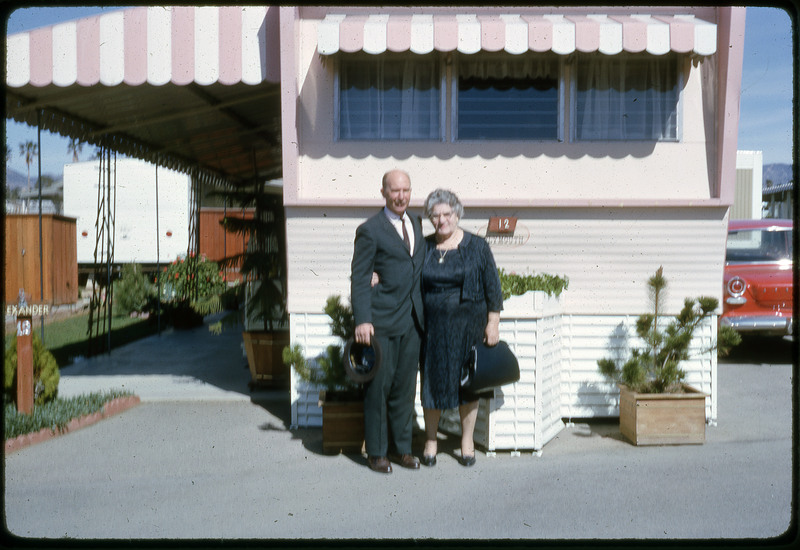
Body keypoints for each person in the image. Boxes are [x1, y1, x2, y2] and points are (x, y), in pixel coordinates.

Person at [419, 189, 503, 467]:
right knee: (433, 383)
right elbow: (402, 274)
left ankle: (466, 440)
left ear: (457, 214)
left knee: (468, 385)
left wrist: (493, 322)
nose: (441, 220)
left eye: (447, 214)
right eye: (435, 215)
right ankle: (431, 440)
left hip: (469, 327)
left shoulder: (477, 246)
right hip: (433, 329)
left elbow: (493, 287)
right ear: (430, 218)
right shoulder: (424, 246)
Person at [351, 169, 425, 474]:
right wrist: (362, 320)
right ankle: (378, 452)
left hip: (412, 321)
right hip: (380, 321)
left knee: (405, 388)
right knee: (378, 388)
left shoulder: (417, 224)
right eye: (395, 191)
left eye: (406, 190)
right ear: (383, 192)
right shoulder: (370, 229)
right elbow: (359, 277)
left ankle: (403, 449)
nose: (401, 196)